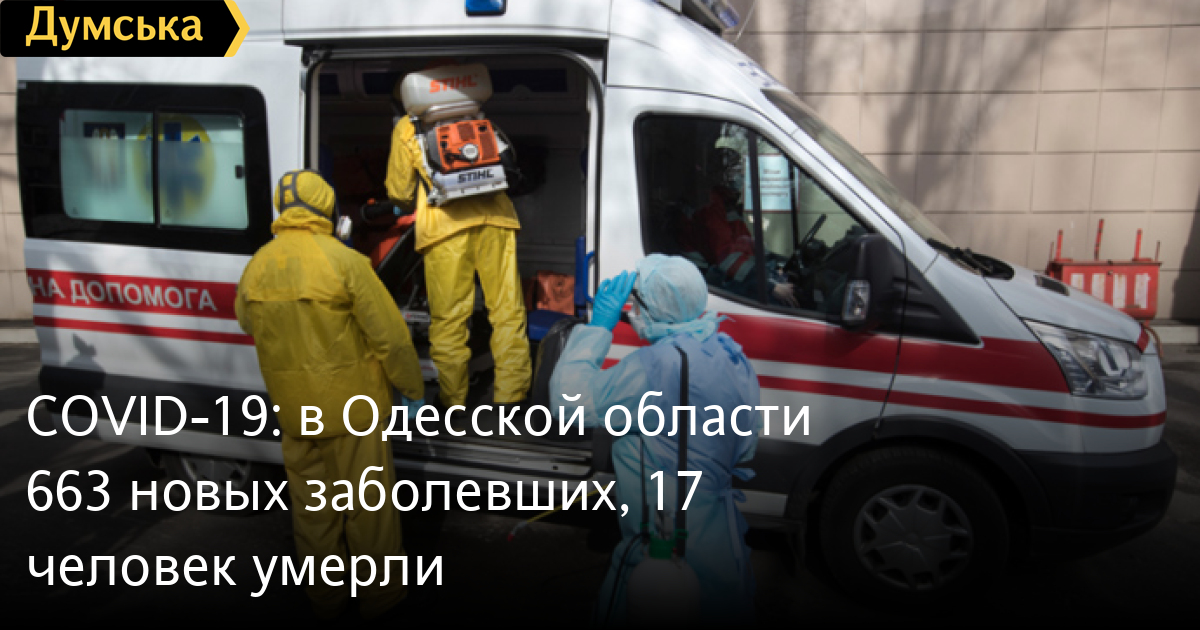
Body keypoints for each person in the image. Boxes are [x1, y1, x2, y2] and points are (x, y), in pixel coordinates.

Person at [235, 170, 425, 620]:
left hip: (295, 412)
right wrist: (411, 388)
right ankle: (380, 600)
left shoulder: (258, 265)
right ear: (327, 209)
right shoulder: (345, 262)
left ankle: (326, 598)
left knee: (313, 512)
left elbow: (247, 321)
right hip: (352, 411)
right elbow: (389, 337)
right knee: (368, 509)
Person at [549, 254, 760, 625]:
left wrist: (598, 327)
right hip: (721, 543)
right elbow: (746, 447)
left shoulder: (655, 366)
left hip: (664, 549)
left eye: (635, 303)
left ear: (652, 309)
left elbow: (569, 403)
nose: (631, 312)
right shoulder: (729, 354)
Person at [386, 80, 531, 409]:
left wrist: (407, 200)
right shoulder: (474, 112)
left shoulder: (408, 127)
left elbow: (399, 191)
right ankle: (511, 397)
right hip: (496, 220)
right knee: (507, 311)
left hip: (445, 228)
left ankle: (453, 400)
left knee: (450, 319)